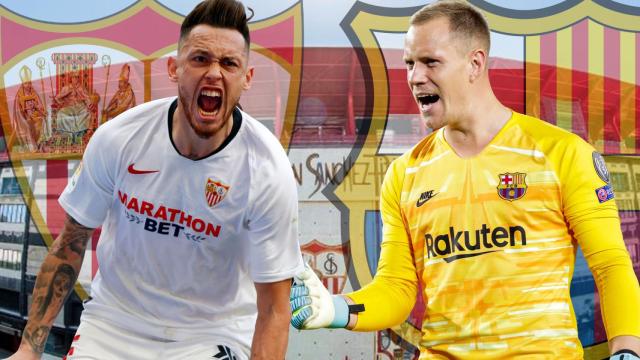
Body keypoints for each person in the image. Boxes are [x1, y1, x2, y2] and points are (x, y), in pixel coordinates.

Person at [290, 1, 640, 359]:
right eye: (410, 63)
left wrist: (627, 351)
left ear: (475, 63)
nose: (414, 77)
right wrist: (337, 309)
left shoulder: (562, 153)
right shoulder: (405, 173)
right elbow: (396, 288)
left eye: (430, 62)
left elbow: (611, 265)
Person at [10, 0, 303, 359]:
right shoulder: (119, 138)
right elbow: (69, 245)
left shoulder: (268, 170)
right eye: (200, 59)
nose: (214, 73)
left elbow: (274, 308)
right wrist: (28, 349)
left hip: (210, 334)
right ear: (174, 69)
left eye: (229, 63)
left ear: (247, 78)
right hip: (114, 325)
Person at [51, 70, 96, 142]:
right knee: (61, 113)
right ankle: (67, 134)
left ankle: (79, 134)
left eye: (77, 77)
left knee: (87, 113)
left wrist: (90, 104)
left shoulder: (81, 87)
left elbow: (87, 98)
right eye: (74, 77)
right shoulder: (66, 88)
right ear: (71, 78)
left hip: (80, 106)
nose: (76, 79)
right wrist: (62, 102)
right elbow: (57, 98)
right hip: (69, 107)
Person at [11, 65, 47, 152]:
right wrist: (26, 113)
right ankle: (33, 147)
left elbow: (40, 106)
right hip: (24, 117)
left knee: (42, 120)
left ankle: (41, 144)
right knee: (28, 125)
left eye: (29, 83)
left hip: (35, 115)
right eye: (26, 83)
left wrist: (36, 107)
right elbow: (18, 112)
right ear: (23, 84)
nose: (28, 85)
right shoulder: (19, 95)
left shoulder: (33, 92)